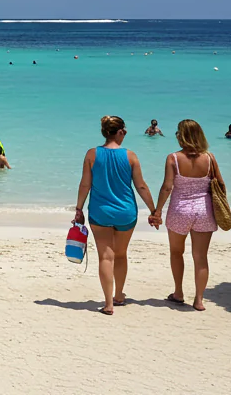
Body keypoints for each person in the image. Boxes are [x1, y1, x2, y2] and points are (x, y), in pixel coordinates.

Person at [74, 115, 158, 316]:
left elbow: (85, 184)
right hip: (125, 213)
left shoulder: (92, 155)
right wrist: (154, 211)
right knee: (120, 254)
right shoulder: (131, 156)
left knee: (105, 256)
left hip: (100, 211)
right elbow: (141, 186)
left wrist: (79, 209)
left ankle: (108, 303)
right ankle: (119, 295)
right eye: (125, 131)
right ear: (120, 132)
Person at [152, 119, 225, 312]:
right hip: (204, 211)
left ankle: (178, 293)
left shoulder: (173, 158)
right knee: (200, 256)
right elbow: (221, 184)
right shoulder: (209, 158)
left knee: (177, 252)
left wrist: (157, 211)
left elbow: (167, 187)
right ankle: (199, 300)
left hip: (179, 211)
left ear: (181, 135)